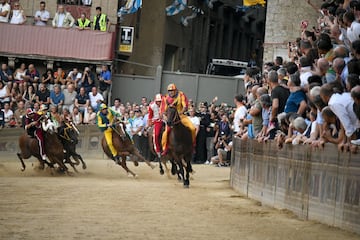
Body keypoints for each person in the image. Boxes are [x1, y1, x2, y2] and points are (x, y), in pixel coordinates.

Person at [160, 83, 196, 156]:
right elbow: (163, 111)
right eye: (169, 91)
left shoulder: (181, 95)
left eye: (172, 90)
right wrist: (166, 118)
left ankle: (192, 146)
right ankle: (165, 148)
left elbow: (185, 106)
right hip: (170, 117)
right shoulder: (165, 98)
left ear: (175, 90)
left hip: (181, 116)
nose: (171, 92)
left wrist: (180, 113)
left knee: (192, 128)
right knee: (165, 133)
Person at [147, 94, 163, 158]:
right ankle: (158, 150)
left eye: (160, 101)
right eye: (158, 101)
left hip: (165, 120)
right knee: (156, 135)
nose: (159, 103)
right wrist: (149, 123)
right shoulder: (152, 106)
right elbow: (150, 116)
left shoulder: (165, 104)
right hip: (157, 121)